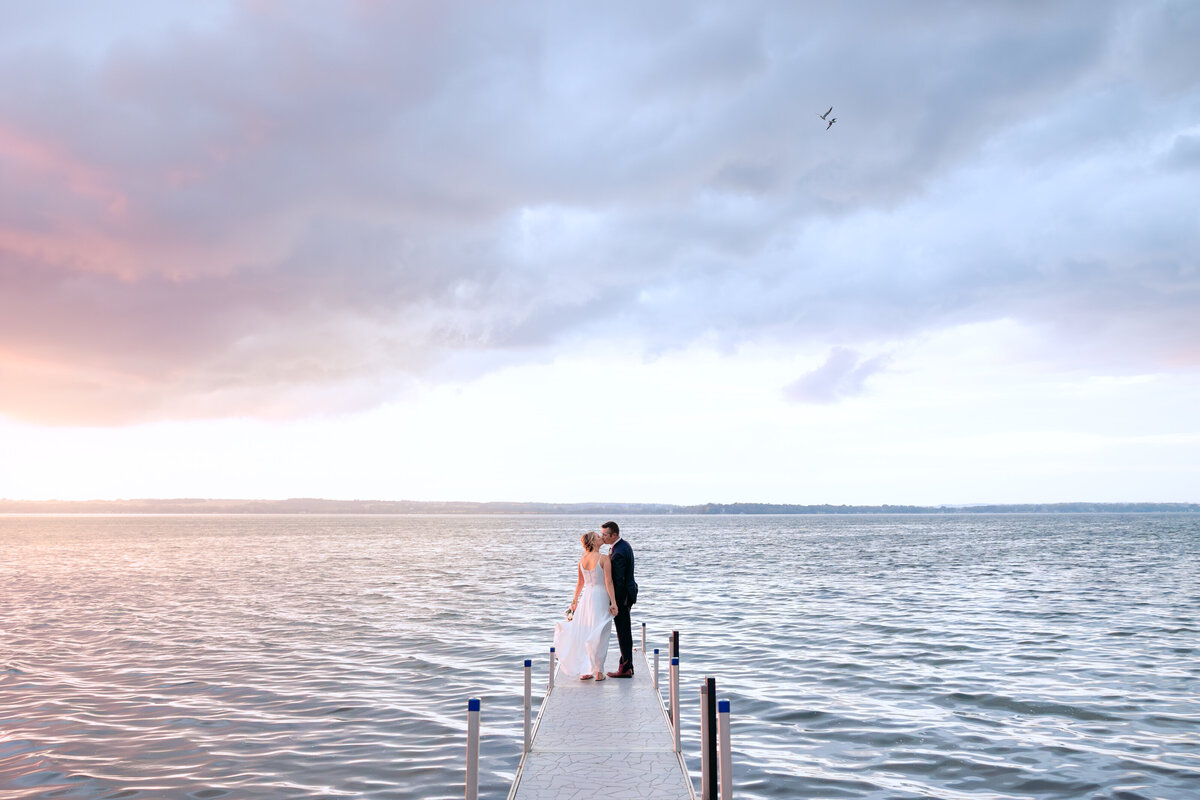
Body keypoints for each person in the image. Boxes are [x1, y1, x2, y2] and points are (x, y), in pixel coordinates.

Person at [552, 530, 619, 681]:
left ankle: (586, 670)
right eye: (598, 536)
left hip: (586, 598)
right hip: (600, 597)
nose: (601, 537)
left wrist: (574, 601)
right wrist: (613, 603)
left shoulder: (582, 560)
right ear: (593, 542)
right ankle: (599, 672)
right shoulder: (604, 559)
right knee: (601, 633)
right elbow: (608, 582)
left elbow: (580, 583)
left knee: (585, 631)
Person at [600, 520, 637, 678]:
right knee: (624, 631)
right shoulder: (622, 546)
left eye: (605, 535)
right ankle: (627, 665)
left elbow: (618, 580)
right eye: (601, 534)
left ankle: (625, 667)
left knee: (623, 632)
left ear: (614, 534)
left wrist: (615, 603)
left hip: (622, 596)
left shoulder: (619, 552)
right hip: (628, 593)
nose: (603, 537)